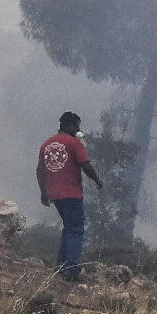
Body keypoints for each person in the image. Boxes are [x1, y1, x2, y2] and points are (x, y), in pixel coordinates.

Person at [37, 112, 103, 281]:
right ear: (71, 126)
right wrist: (97, 180)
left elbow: (40, 170)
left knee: (68, 228)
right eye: (77, 126)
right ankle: (71, 269)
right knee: (76, 230)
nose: (79, 129)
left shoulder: (46, 145)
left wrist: (44, 192)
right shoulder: (74, 143)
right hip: (71, 194)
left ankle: (60, 265)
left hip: (55, 195)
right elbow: (85, 165)